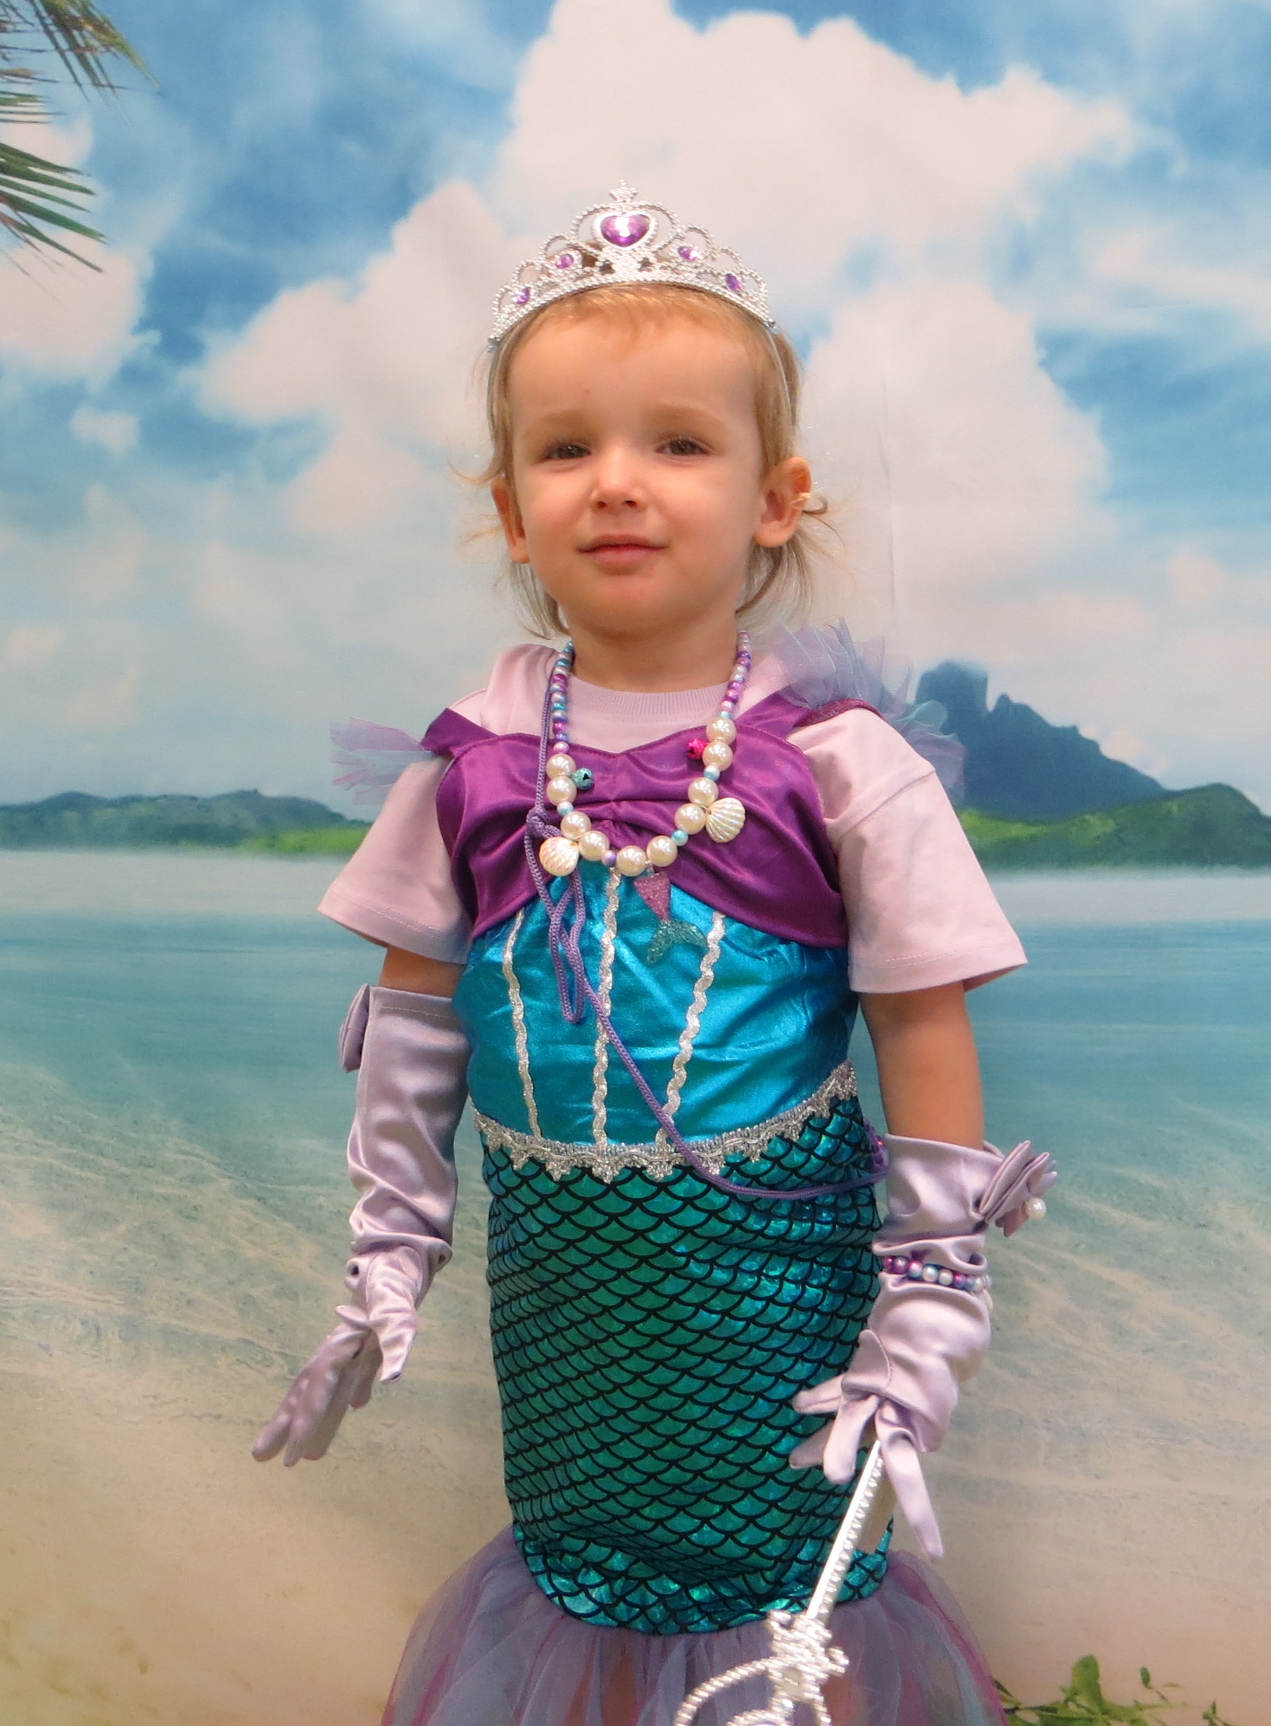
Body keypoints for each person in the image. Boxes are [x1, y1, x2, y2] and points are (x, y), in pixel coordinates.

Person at [252, 188, 1054, 1726]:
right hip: (570, 1310)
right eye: (567, 449)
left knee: (783, 1617)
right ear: (513, 510)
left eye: (679, 442)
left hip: (778, 1307)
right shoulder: (476, 765)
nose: (618, 482)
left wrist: (930, 1299)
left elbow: (922, 1026)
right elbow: (416, 1026)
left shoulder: (836, 764)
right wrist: (390, 1252)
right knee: (586, 1597)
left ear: (776, 498)